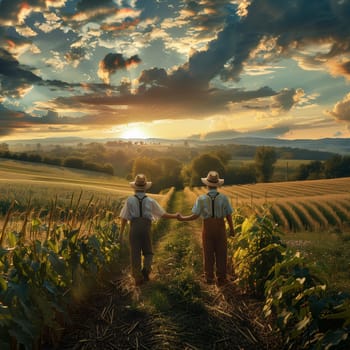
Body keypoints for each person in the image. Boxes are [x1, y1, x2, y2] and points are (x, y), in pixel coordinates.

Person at [119, 174, 179, 286]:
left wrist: (121, 233)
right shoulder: (150, 201)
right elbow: (163, 214)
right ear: (145, 187)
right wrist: (175, 216)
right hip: (146, 227)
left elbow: (124, 218)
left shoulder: (130, 200)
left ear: (135, 187)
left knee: (135, 253)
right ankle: (146, 272)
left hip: (135, 227)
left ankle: (137, 278)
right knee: (148, 252)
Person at [178, 171, 234, 286]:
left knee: (207, 252)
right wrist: (232, 229)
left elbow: (195, 216)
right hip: (220, 226)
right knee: (221, 252)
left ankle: (209, 277)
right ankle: (221, 277)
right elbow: (228, 215)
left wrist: (182, 218)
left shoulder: (201, 198)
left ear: (207, 185)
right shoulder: (224, 198)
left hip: (207, 226)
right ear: (217, 184)